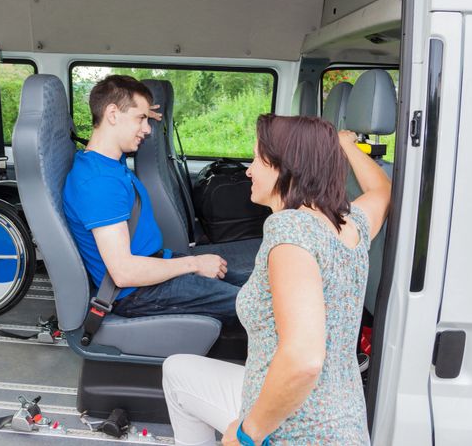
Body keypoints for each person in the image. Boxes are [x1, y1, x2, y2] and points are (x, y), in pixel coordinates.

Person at [162, 114, 391, 445]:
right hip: (343, 422)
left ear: (287, 167)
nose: (249, 170)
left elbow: (303, 359)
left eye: (258, 158)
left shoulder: (289, 231)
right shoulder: (349, 224)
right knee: (178, 372)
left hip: (294, 430)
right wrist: (345, 146)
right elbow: (382, 189)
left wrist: (246, 433)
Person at [62, 75, 252, 325]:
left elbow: (113, 134)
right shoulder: (99, 183)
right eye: (140, 119)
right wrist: (194, 263)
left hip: (154, 267)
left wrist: (140, 112)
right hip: (137, 293)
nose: (147, 128)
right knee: (256, 306)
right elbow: (124, 273)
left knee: (256, 286)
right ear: (112, 114)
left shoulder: (106, 160)